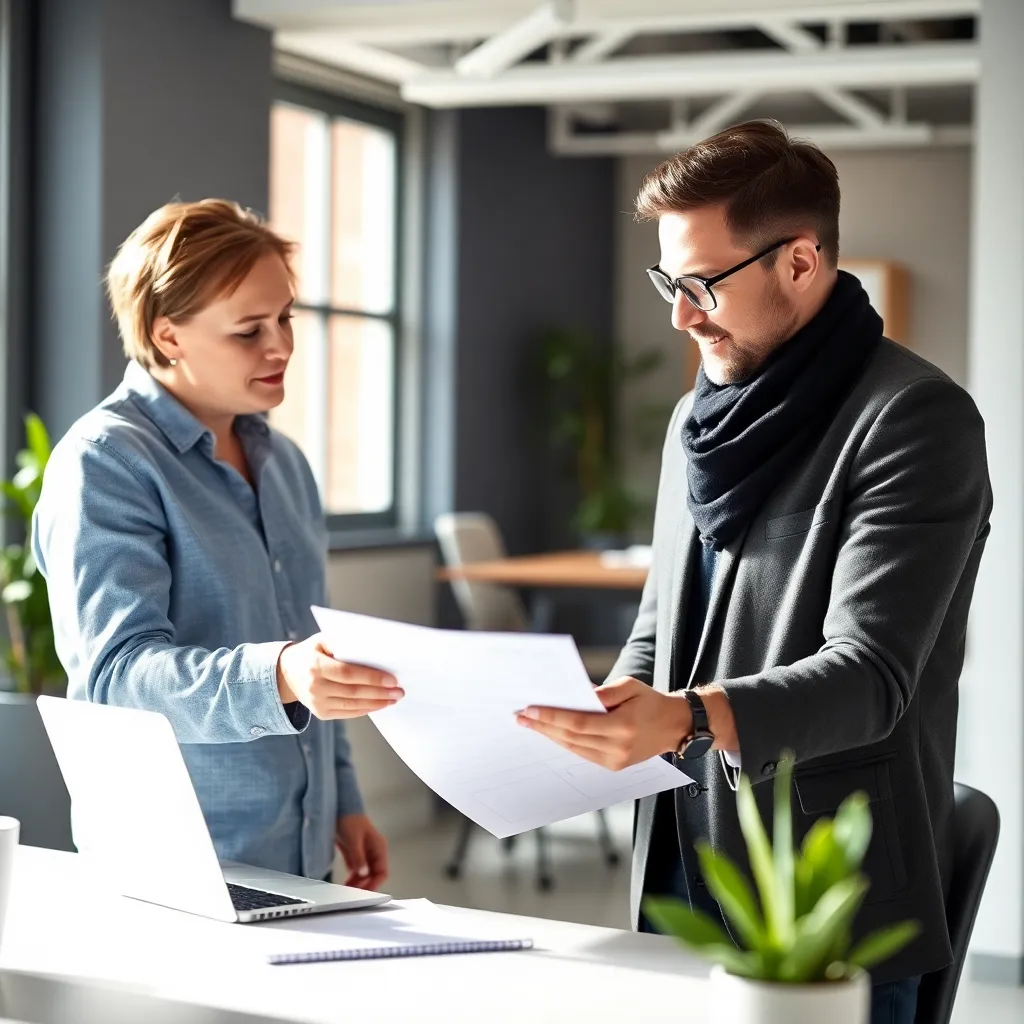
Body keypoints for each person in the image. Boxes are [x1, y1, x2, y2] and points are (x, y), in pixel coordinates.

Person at [515, 121, 991, 1024]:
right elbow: (663, 623)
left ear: (801, 261)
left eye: (702, 284)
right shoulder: (698, 417)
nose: (680, 315)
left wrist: (688, 716)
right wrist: (608, 709)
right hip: (680, 869)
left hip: (821, 903)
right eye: (670, 282)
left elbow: (873, 676)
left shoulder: (914, 418)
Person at [33, 199, 404, 890]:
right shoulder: (106, 463)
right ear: (168, 335)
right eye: (248, 331)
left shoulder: (284, 463)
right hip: (174, 870)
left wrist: (342, 800)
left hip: (299, 856)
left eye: (286, 317)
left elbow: (311, 648)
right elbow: (117, 678)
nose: (282, 346)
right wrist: (281, 674)